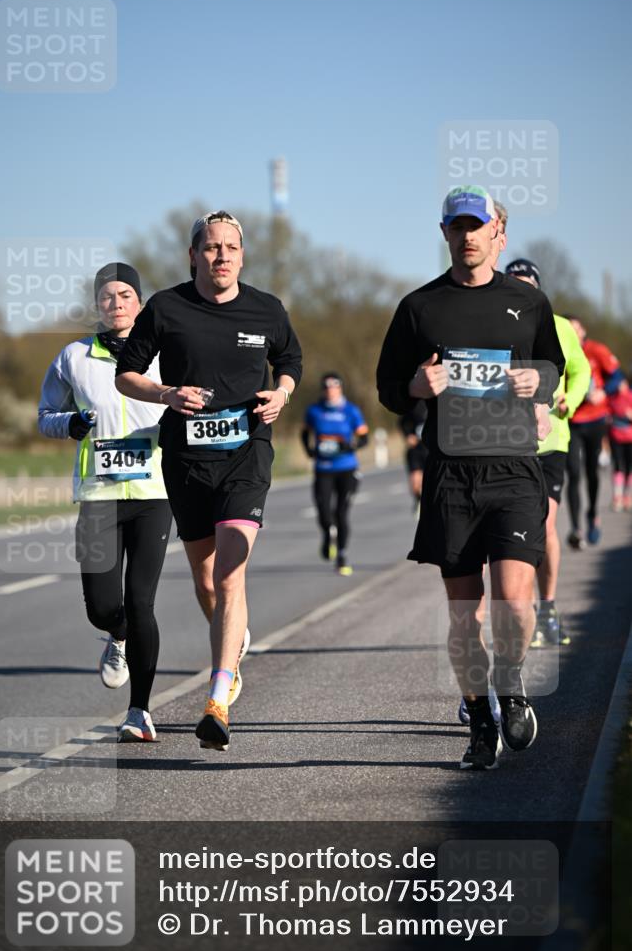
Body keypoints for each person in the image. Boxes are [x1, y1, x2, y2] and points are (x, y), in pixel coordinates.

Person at [377, 185, 564, 771]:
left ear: (496, 232)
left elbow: (553, 366)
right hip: (451, 474)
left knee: (514, 601)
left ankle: (510, 680)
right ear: (445, 234)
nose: (467, 236)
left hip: (513, 467)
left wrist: (538, 380)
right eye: (456, 227)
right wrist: (415, 386)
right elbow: (388, 386)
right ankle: (480, 721)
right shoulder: (419, 307)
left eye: (476, 226)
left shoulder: (528, 302)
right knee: (465, 614)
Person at [115, 210, 302, 752]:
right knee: (206, 580)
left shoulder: (267, 309)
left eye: (231, 247)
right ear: (193, 255)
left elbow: (290, 359)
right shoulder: (166, 307)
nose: (222, 256)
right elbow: (127, 375)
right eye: (212, 247)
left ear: (243, 256)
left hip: (247, 453)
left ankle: (218, 698)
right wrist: (166, 394)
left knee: (229, 574)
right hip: (186, 459)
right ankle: (232, 646)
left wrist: (282, 392)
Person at [38, 263, 172, 743]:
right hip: (98, 495)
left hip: (153, 493)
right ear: (97, 304)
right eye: (107, 296)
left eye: (125, 295)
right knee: (102, 606)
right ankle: (116, 635)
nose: (116, 303)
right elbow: (45, 415)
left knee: (141, 601)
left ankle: (139, 711)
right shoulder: (73, 356)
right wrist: (69, 424)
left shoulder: (166, 353)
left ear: (140, 302)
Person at [503, 261, 590, 648]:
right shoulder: (495, 323)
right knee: (513, 531)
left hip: (551, 439)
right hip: (507, 441)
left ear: (538, 289)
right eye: (514, 284)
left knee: (544, 525)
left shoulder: (559, 326)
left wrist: (571, 397)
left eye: (528, 285)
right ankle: (522, 613)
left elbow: (581, 370)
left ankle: (548, 609)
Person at [300, 373, 369, 575]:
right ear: (323, 390)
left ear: (340, 388)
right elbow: (304, 432)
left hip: (347, 468)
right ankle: (327, 534)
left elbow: (364, 438)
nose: (330, 391)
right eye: (326, 388)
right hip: (323, 469)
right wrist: (309, 450)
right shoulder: (314, 410)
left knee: (341, 513)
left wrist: (350, 446)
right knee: (323, 512)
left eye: (334, 387)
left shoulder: (351, 410)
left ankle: (342, 556)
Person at [565, 317, 623, 547]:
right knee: (573, 473)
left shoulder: (596, 350)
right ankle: (575, 529)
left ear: (583, 330)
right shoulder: (559, 350)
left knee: (591, 471)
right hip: (570, 419)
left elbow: (617, 376)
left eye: (576, 329)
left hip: (595, 419)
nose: (573, 333)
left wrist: (603, 392)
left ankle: (592, 515)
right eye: (569, 329)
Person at [608, 375, 632, 511]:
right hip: (616, 436)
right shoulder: (613, 398)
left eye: (621, 383)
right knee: (617, 465)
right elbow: (608, 413)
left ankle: (627, 496)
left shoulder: (630, 396)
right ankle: (617, 497)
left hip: (630, 437)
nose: (619, 386)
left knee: (629, 467)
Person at [399, 403, 428, 514]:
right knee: (416, 483)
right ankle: (418, 500)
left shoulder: (441, 401)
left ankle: (429, 503)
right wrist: (408, 435)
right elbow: (402, 422)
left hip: (432, 449)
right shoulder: (415, 403)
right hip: (416, 449)